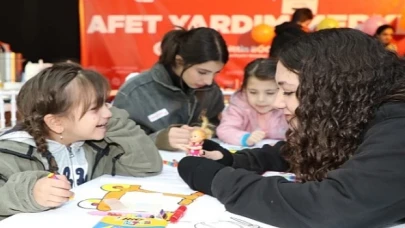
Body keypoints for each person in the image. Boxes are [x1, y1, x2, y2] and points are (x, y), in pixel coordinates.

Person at [177, 28, 405, 228]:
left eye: (287, 91)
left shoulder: (398, 126)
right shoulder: (365, 113)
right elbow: (319, 147)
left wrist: (219, 179)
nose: (277, 103)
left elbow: (329, 208)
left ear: (331, 91)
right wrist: (234, 161)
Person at [0, 63, 163, 220]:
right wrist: (29, 193)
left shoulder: (96, 144)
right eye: (95, 108)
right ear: (56, 123)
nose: (108, 113)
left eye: (106, 103)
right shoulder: (11, 154)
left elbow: (147, 165)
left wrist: (111, 121)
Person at [113, 27, 229, 151]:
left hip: (193, 164)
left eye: (215, 73)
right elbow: (114, 138)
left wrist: (203, 130)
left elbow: (215, 124)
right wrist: (158, 139)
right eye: (202, 72)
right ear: (179, 61)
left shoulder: (210, 90)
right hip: (150, 167)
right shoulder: (135, 92)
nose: (209, 81)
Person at [216, 58, 288, 146]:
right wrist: (245, 138)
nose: (261, 99)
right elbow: (224, 130)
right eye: (253, 92)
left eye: (270, 93)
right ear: (244, 89)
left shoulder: (288, 106)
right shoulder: (239, 105)